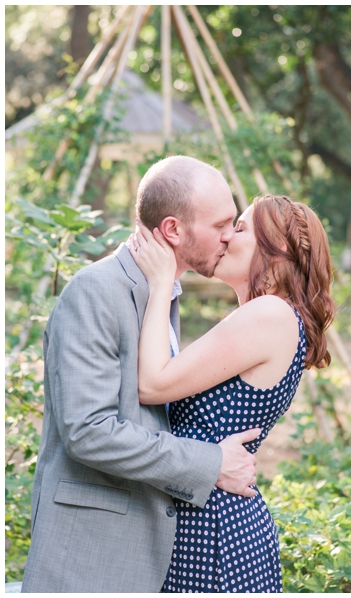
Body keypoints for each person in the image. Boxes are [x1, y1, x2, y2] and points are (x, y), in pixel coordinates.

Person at [22, 156, 261, 593]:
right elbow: (89, 431)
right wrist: (210, 463)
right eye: (221, 224)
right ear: (173, 230)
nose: (231, 235)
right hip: (89, 556)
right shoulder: (95, 291)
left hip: (143, 550)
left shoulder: (162, 291)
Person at [129, 191, 335, 592]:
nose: (224, 237)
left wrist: (160, 283)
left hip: (213, 530)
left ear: (276, 251)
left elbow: (152, 383)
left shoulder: (269, 314)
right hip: (210, 517)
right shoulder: (270, 316)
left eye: (238, 228)